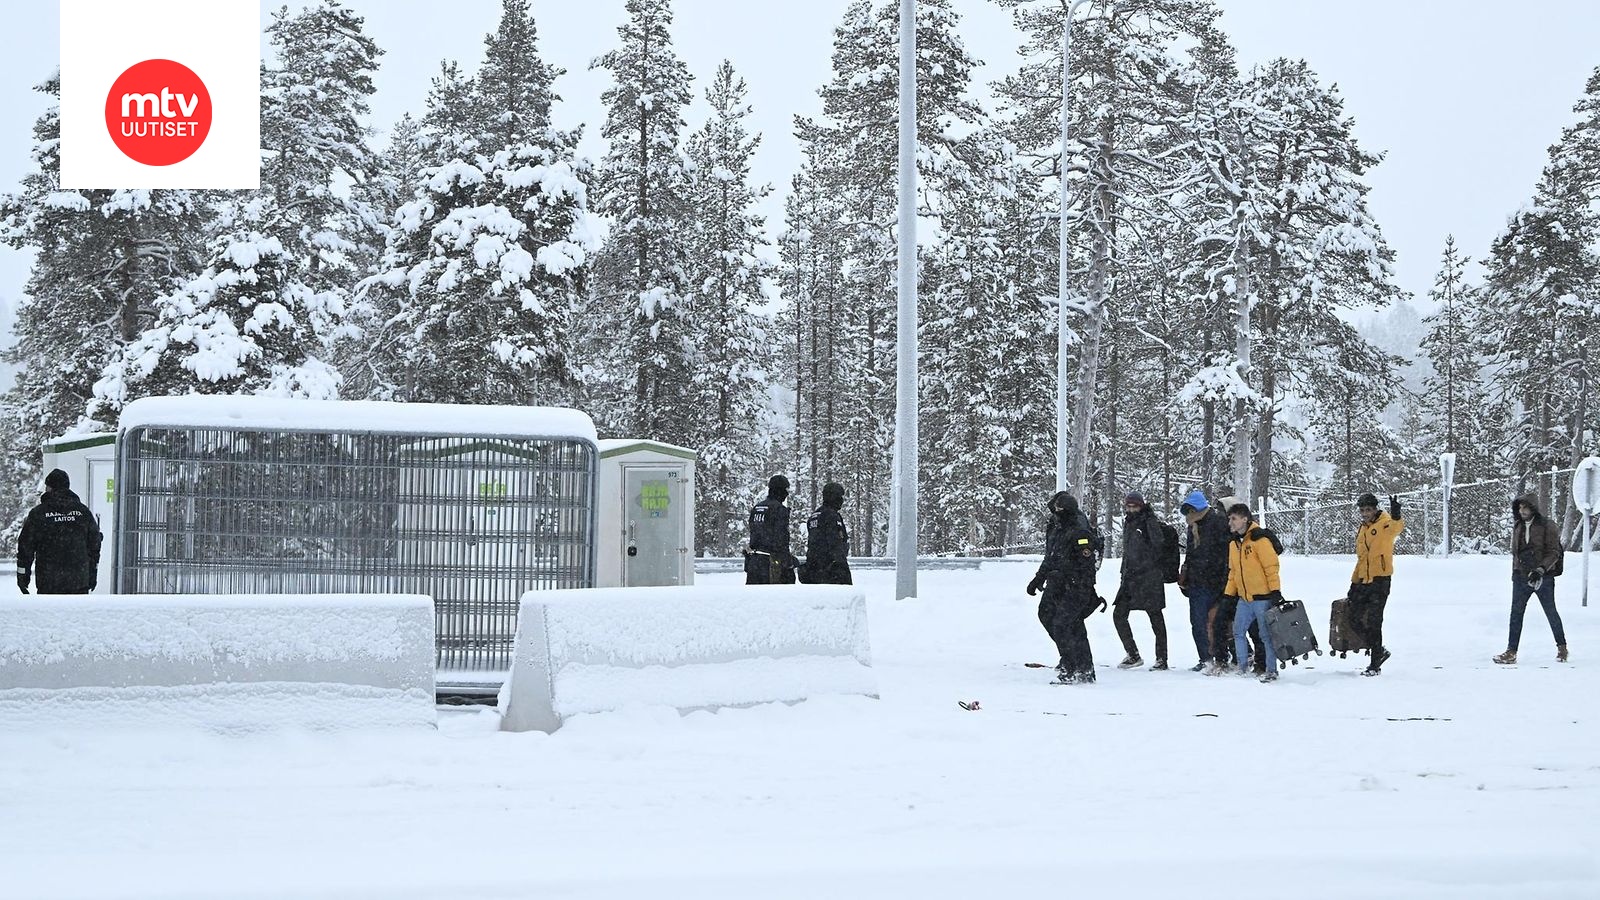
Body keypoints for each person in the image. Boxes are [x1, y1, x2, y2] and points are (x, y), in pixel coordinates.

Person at [1027, 491, 1101, 684]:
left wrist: (1071, 579)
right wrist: (1038, 579)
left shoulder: (1079, 530)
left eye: (1059, 510)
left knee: (1065, 624)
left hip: (1076, 587)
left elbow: (1085, 563)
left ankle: (1075, 667)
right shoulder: (1057, 528)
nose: (1055, 513)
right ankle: (1076, 663)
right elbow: (1051, 557)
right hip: (1057, 583)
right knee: (1048, 615)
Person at [1493, 495, 1569, 665]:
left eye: (1526, 507)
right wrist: (1515, 572)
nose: (1522, 511)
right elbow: (1516, 553)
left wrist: (1541, 570)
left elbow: (1554, 552)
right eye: (1520, 508)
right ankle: (1511, 651)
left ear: (1534, 508)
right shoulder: (1518, 525)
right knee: (1516, 614)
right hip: (1521, 577)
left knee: (1550, 611)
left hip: (1543, 577)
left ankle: (1562, 647)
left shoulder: (1547, 525)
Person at [17, 468, 103, 595]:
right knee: (77, 614)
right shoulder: (83, 512)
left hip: (48, 581)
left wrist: (23, 578)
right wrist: (92, 574)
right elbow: (95, 545)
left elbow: (25, 547)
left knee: (50, 614)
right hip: (78, 581)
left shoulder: (38, 513)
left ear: (49, 487)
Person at [1222, 502, 1281, 683]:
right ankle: (1242, 667)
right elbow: (1233, 572)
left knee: (1265, 635)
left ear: (1245, 519)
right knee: (1238, 631)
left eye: (1234, 519)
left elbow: (1271, 567)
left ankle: (1271, 670)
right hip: (1244, 598)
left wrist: (1275, 591)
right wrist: (1228, 594)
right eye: (1229, 519)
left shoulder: (1259, 540)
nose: (1230, 523)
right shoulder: (1234, 544)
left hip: (1262, 597)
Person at [1206, 495, 1264, 675]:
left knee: (1254, 628)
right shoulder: (1223, 534)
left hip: (1248, 590)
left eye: (1230, 516)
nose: (1226, 519)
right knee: (1220, 623)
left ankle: (1259, 662)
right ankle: (1222, 660)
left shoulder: (1249, 537)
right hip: (1228, 586)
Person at [1113, 491, 1169, 670]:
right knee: (1119, 615)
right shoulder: (1129, 522)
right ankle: (1133, 653)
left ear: (1141, 505)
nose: (1131, 509)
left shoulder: (1149, 521)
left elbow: (1158, 545)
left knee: (1155, 617)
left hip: (1148, 578)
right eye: (1128, 506)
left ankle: (1162, 659)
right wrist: (1125, 571)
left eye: (1134, 506)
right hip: (1130, 578)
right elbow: (1128, 551)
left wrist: (1145, 564)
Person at [1350, 492, 1404, 675]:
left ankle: (1374, 664)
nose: (1365, 513)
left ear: (1375, 509)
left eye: (1368, 510)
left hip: (1380, 580)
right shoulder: (1363, 528)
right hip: (1364, 580)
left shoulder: (1385, 523)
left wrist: (1397, 515)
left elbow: (1396, 528)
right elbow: (1361, 558)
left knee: (1374, 622)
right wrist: (1354, 582)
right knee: (1354, 619)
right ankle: (1379, 650)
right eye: (1362, 510)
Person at [1178, 489, 1229, 672]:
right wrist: (1186, 575)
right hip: (1198, 583)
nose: (1188, 516)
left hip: (1215, 582)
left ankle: (1225, 656)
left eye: (1191, 511)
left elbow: (1224, 553)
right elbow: (1191, 555)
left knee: (1218, 622)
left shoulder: (1217, 523)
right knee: (1199, 622)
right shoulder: (1194, 527)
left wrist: (1224, 579)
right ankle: (1205, 658)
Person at [745, 474, 798, 585]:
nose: (787, 494)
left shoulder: (757, 508)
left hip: (754, 563)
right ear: (780, 490)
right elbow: (781, 539)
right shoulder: (779, 509)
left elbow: (754, 533)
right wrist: (788, 561)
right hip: (771, 564)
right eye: (785, 490)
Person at [799, 482, 852, 585]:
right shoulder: (832, 516)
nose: (841, 500)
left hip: (813, 568)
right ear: (835, 497)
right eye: (840, 497)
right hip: (830, 570)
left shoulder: (814, 515)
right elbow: (836, 544)